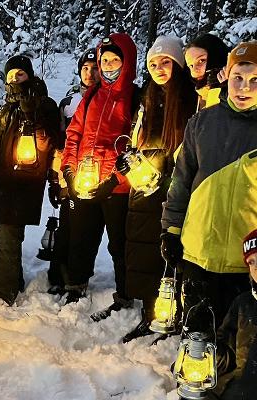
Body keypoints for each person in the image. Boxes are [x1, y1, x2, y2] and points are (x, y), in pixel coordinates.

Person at [161, 42, 257, 333]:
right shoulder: (202, 122)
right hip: (198, 255)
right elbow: (181, 181)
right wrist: (171, 231)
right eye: (237, 77)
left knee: (238, 350)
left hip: (245, 265)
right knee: (196, 337)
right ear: (226, 75)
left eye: (254, 80)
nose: (243, 88)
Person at [118, 36, 196, 342]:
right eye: (153, 63)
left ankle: (169, 315)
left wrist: (167, 179)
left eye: (166, 62)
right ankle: (148, 315)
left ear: (178, 64)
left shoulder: (189, 99)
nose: (159, 68)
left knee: (169, 255)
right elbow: (137, 139)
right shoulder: (147, 98)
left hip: (173, 189)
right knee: (144, 252)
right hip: (143, 188)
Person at [60, 33, 140, 319]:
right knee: (81, 237)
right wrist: (68, 169)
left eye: (114, 60)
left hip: (116, 187)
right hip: (84, 180)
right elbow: (74, 134)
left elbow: (136, 147)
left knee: (119, 243)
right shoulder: (92, 95)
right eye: (104, 60)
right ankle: (76, 284)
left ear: (126, 61)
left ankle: (125, 294)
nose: (107, 65)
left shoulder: (134, 97)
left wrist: (114, 180)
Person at [0, 54, 59, 306]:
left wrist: (31, 113)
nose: (15, 78)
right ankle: (13, 282)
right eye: (11, 75)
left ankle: (2, 295)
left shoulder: (43, 104)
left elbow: (50, 140)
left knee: (8, 236)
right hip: (0, 181)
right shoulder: (6, 108)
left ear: (30, 75)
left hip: (22, 183)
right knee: (0, 235)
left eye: (21, 74)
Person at [46, 47, 99, 296]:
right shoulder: (69, 102)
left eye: (94, 68)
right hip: (69, 176)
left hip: (97, 178)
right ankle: (58, 276)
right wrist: (55, 179)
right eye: (85, 69)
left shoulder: (108, 99)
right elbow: (60, 145)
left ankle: (77, 280)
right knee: (67, 229)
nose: (89, 73)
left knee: (85, 233)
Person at [214, 229, 257, 400]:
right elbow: (226, 351)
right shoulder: (243, 303)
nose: (256, 268)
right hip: (239, 391)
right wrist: (205, 354)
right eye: (251, 261)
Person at [184, 33, 229, 111]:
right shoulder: (195, 96)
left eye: (201, 61)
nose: (195, 70)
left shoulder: (237, 91)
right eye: (191, 65)